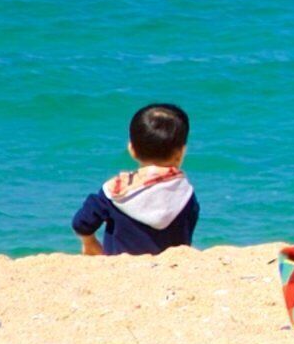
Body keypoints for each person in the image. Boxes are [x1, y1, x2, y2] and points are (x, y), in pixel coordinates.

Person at [71, 102, 200, 255]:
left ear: (132, 149)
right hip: (168, 270)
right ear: (181, 152)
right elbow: (186, 236)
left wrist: (89, 242)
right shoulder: (185, 194)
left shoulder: (115, 192)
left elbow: (82, 223)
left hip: (120, 268)